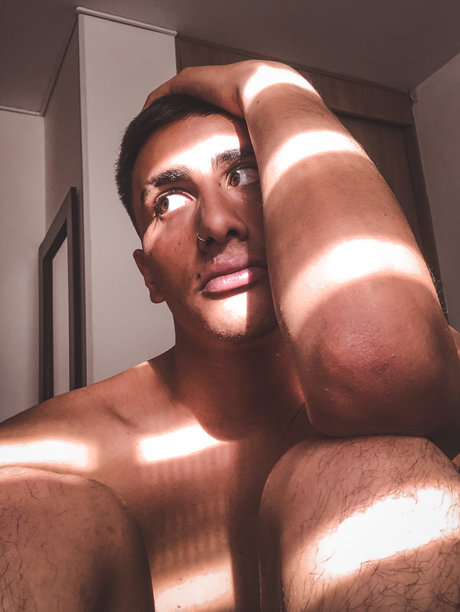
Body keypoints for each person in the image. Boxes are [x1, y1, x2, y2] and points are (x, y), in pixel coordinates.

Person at [0, 60, 459, 611]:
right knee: (27, 513)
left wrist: (270, 84)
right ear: (148, 276)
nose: (216, 224)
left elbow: (378, 363)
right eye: (168, 201)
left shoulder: (432, 369)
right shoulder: (44, 454)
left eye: (244, 175)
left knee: (371, 468)